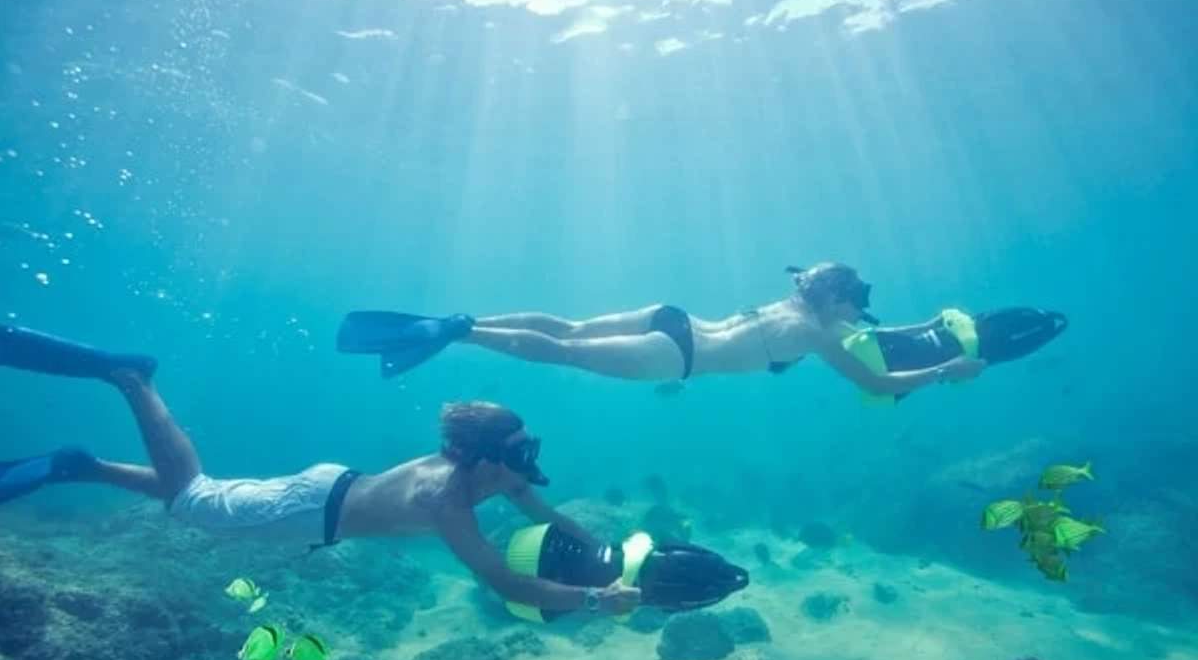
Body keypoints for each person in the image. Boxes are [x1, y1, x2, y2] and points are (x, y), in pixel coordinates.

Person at [0, 326, 641, 617]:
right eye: (519, 448)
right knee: (196, 500)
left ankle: (80, 467)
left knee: (198, 497)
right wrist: (594, 600)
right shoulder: (449, 499)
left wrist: (603, 551)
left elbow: (550, 517)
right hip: (312, 511)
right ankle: (132, 379)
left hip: (332, 487)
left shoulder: (501, 476)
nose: (529, 459)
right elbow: (506, 582)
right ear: (484, 455)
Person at [337, 262, 988, 397]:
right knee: (565, 352)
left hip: (671, 317)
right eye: (859, 300)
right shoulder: (818, 336)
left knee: (566, 327)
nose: (862, 311)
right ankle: (459, 335)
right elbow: (875, 376)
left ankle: (465, 320)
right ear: (838, 298)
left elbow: (875, 336)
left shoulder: (797, 311)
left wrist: (928, 324)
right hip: (674, 356)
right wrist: (943, 367)